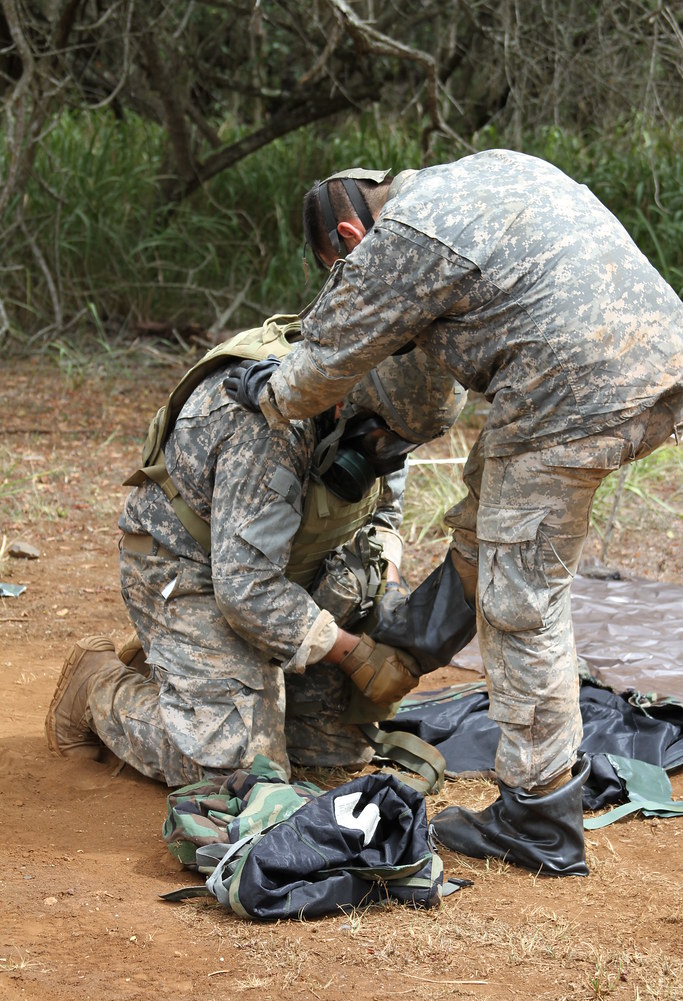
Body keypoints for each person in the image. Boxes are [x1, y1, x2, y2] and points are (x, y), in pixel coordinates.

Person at [226, 151, 683, 876]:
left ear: (349, 233)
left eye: (338, 267)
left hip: (566, 392)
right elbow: (429, 388)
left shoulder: (399, 238)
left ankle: (537, 819)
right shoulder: (490, 171)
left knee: (520, 602)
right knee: (484, 530)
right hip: (655, 361)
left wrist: (264, 391)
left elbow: (318, 370)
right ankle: (405, 653)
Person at [45, 315, 465, 786]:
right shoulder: (273, 421)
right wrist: (355, 655)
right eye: (384, 438)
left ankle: (205, 683)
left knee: (333, 749)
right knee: (240, 769)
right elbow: (245, 590)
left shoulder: (387, 416)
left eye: (406, 443)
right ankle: (99, 685)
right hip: (190, 573)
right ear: (347, 396)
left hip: (281, 573)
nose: (390, 453)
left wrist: (385, 593)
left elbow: (381, 517)